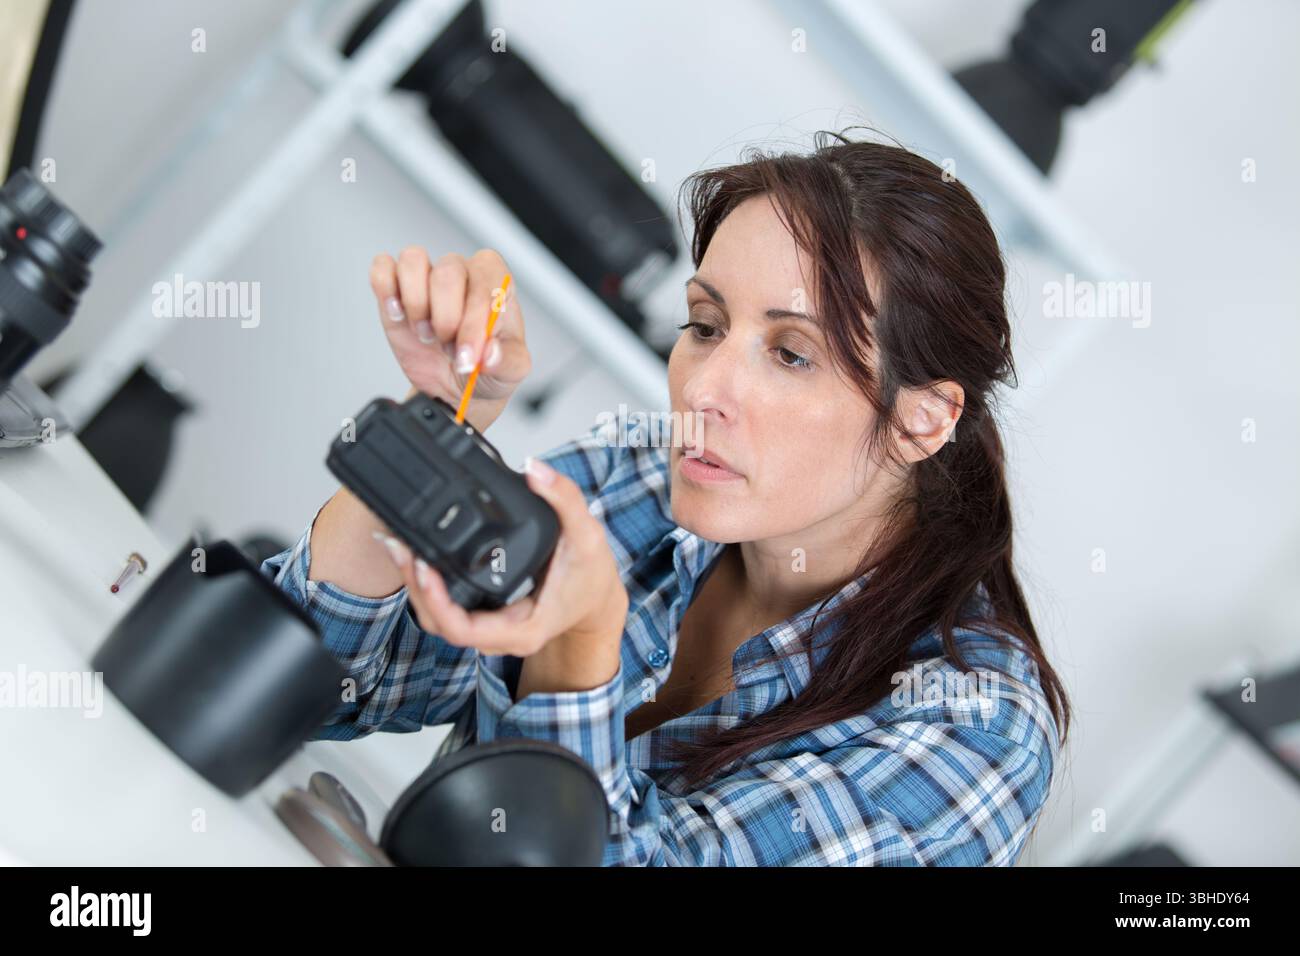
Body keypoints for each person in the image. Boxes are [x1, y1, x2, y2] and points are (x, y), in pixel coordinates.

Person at [262, 130, 1070, 866]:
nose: (705, 389)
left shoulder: (973, 726)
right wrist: (429, 435)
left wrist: (577, 651)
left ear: (921, 421)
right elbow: (319, 692)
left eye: (791, 354)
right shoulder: (631, 479)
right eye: (706, 324)